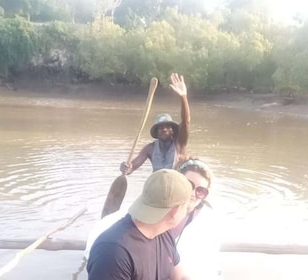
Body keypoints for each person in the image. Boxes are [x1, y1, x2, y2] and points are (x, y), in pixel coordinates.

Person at [86, 158, 222, 279]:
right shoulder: (113, 253)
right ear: (176, 211)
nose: (193, 197)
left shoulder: (163, 234)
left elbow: (180, 276)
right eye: (186, 204)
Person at [120, 73, 190, 175]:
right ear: (156, 133)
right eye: (160, 127)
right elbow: (132, 167)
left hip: (176, 186)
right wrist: (126, 168)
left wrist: (183, 97)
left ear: (172, 131)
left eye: (167, 127)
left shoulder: (179, 143)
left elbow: (186, 121)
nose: (164, 129)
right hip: (158, 186)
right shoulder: (150, 148)